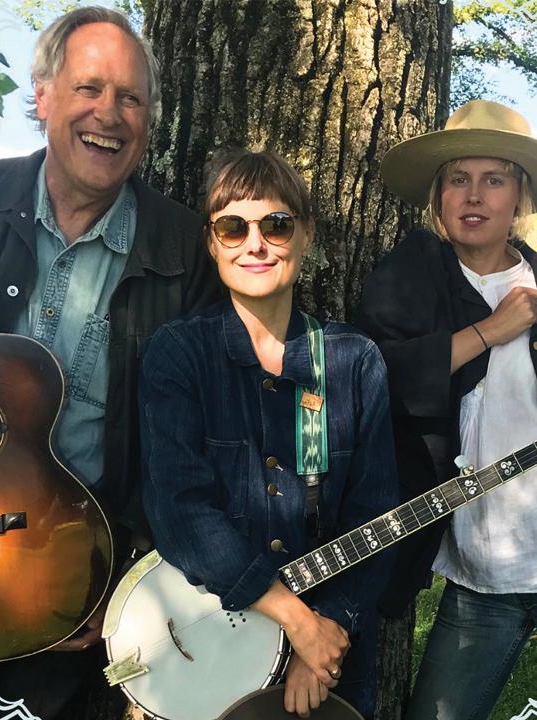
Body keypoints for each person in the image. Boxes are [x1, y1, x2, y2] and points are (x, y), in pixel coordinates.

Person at [0, 6, 219, 719]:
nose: (109, 115)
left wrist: (126, 572)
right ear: (42, 96)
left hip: (73, 582)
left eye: (131, 98)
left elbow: (194, 438)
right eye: (89, 88)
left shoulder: (186, 252)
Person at [140, 150, 398, 720]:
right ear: (212, 243)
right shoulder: (179, 354)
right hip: (209, 648)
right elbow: (179, 508)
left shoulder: (354, 361)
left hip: (331, 657)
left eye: (276, 225)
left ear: (306, 234)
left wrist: (326, 632)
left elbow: (376, 515)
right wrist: (296, 620)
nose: (254, 244)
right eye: (233, 227)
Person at [357, 99, 537, 720]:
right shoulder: (408, 277)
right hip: (487, 570)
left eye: (495, 179)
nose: (474, 195)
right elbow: (373, 379)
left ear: (520, 196)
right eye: (458, 178)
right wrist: (490, 331)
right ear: (438, 196)